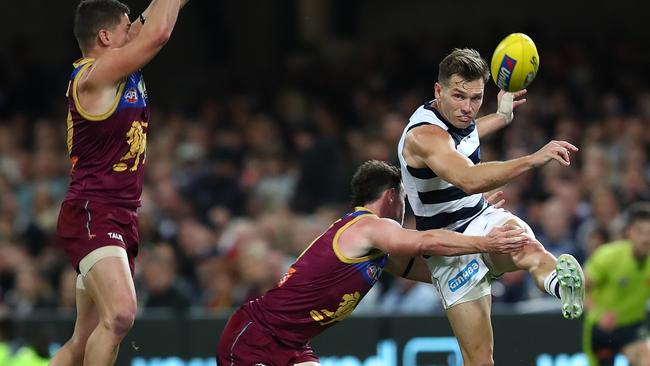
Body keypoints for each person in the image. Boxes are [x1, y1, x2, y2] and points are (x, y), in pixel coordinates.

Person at [217, 160, 534, 365]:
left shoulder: (373, 244)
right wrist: (485, 242)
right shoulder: (368, 226)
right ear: (392, 196)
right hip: (255, 337)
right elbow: (424, 241)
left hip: (291, 344)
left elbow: (432, 269)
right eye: (405, 202)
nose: (405, 212)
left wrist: (476, 234)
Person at [397, 47, 585, 365]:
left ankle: (560, 285)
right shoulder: (424, 136)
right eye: (459, 96)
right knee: (481, 360)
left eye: (476, 98)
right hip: (450, 248)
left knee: (528, 246)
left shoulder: (457, 118)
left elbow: (467, 133)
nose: (468, 108)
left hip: (481, 218)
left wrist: (501, 116)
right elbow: (468, 179)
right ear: (438, 90)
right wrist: (532, 158)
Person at [51, 0, 189, 365]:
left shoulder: (116, 67)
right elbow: (157, 33)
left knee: (82, 341)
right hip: (93, 211)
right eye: (126, 28)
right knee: (122, 314)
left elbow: (149, 22)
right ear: (105, 36)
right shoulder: (96, 75)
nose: (133, 32)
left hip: (116, 213)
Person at [583, 203, 650, 366]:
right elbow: (579, 290)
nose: (646, 238)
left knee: (646, 358)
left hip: (633, 326)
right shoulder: (608, 256)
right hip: (602, 329)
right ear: (629, 233)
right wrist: (599, 314)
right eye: (640, 232)